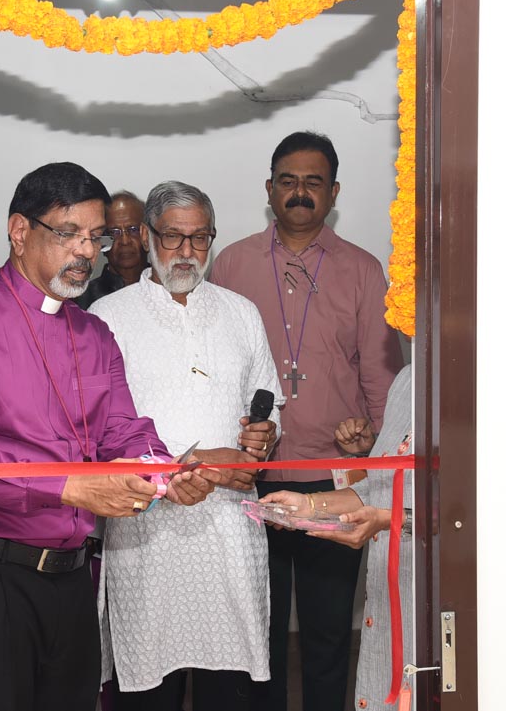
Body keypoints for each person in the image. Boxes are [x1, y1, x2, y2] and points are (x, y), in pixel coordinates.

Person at [0, 162, 220, 711]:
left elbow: (123, 431)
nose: (86, 252)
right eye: (68, 233)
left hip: (71, 580)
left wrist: (163, 475)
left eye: (95, 237)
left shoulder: (93, 331)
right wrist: (70, 487)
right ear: (19, 231)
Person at [209, 130, 404, 711]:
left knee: (327, 629)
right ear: (269, 188)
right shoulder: (232, 263)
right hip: (252, 477)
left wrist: (376, 446)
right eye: (288, 181)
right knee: (257, 631)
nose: (300, 192)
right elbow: (215, 367)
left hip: (334, 480)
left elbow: (380, 374)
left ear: (333, 192)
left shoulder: (363, 270)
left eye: (313, 182)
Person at [90, 181, 281, 711]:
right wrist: (191, 463)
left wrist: (264, 436)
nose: (187, 252)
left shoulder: (241, 313)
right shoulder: (108, 317)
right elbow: (99, 432)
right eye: (173, 237)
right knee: (150, 689)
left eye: (200, 238)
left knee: (231, 687)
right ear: (147, 237)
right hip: (147, 537)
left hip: (230, 533)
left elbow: (269, 405)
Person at [259, 364, 414, 711]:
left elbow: (465, 511)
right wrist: (310, 505)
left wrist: (392, 520)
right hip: (390, 589)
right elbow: (376, 488)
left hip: (429, 595)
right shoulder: (406, 380)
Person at [77, 191, 148, 310]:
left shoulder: (169, 290)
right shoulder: (81, 300)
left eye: (133, 230)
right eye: (114, 232)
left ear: (147, 235)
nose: (125, 241)